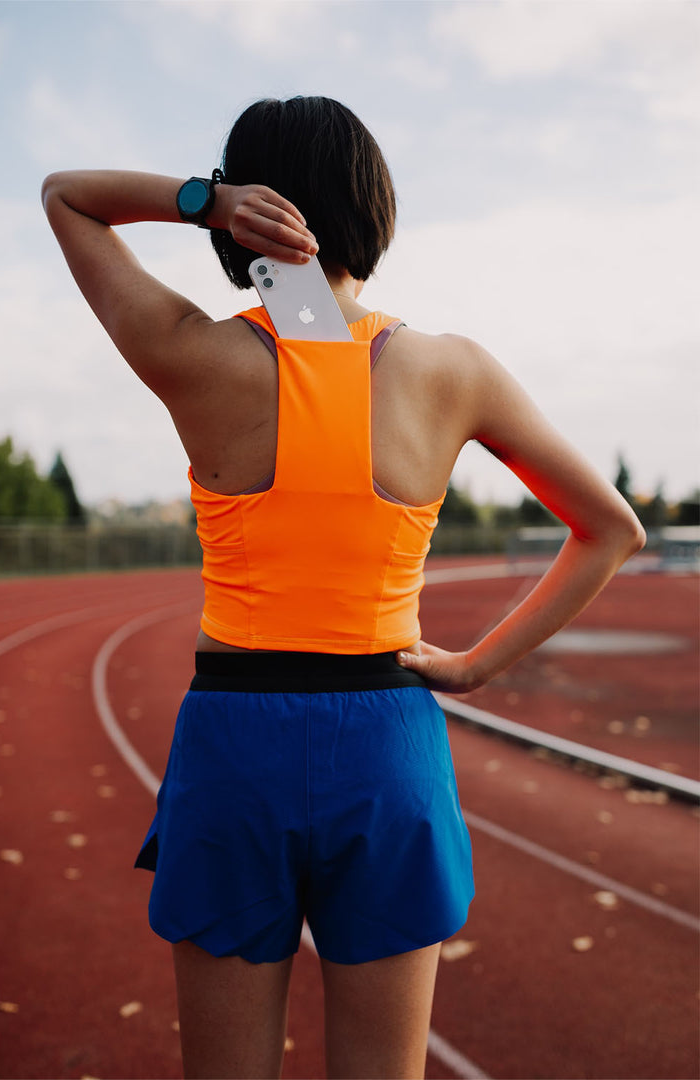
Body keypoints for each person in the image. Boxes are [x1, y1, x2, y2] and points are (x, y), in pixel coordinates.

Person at [42, 95, 645, 1080]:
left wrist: (205, 201)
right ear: (375, 206)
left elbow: (67, 196)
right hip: (387, 743)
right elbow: (611, 528)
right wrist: (476, 665)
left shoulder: (193, 352)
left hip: (234, 745)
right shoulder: (454, 370)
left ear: (250, 210)